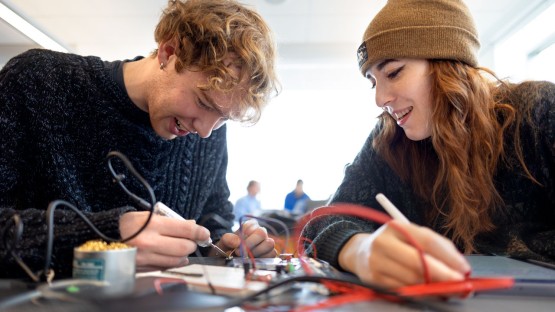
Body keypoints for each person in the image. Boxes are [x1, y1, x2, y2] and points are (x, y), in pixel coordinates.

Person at [0, 0, 280, 280]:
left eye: (223, 117)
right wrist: (108, 238)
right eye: (204, 102)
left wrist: (224, 247)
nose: (206, 131)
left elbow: (213, 214)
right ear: (168, 52)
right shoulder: (36, 82)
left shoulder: (207, 129)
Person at [302, 0, 555, 289]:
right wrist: (358, 249)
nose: (380, 98)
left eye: (394, 72)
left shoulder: (537, 112)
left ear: (446, 63)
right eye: (373, 82)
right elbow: (322, 224)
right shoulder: (387, 142)